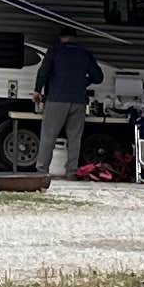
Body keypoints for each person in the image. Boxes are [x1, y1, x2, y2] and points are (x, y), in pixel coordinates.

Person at [33, 30, 102, 177]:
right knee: (75, 138)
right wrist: (84, 82)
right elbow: (98, 77)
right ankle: (71, 172)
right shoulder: (85, 53)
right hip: (78, 101)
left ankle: (42, 171)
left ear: (61, 38)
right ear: (75, 39)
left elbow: (43, 71)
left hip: (56, 99)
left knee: (48, 136)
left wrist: (37, 90)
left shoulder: (54, 51)